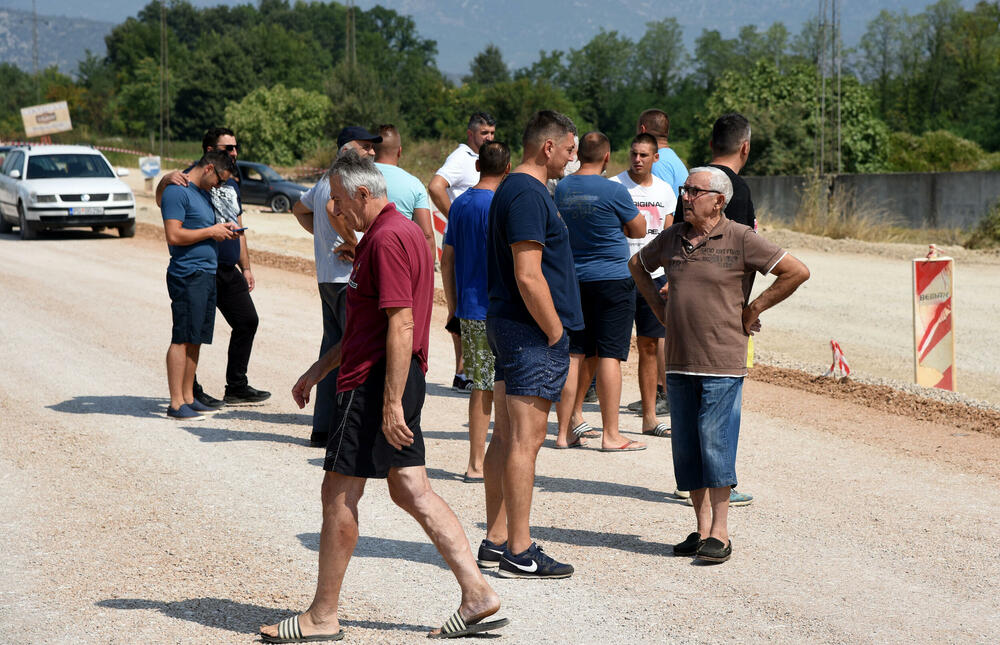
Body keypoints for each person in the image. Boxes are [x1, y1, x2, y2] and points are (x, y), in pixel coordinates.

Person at [260, 151, 508, 642]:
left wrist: (391, 401)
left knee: (338, 492)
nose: (334, 213)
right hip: (385, 376)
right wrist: (317, 370)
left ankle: (322, 616)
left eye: (338, 203)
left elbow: (402, 323)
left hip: (376, 383)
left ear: (363, 194)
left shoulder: (389, 238)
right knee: (410, 488)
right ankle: (478, 593)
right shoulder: (394, 234)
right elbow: (368, 322)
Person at [629, 166, 809, 563]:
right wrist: (659, 308)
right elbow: (637, 266)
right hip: (678, 360)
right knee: (688, 447)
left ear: (719, 200)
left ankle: (721, 534)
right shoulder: (672, 237)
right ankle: (701, 528)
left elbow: (796, 271)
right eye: (684, 189)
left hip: (721, 360)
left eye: (695, 191)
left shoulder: (742, 238)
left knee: (716, 443)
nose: (686, 196)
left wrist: (755, 307)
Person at [478, 110, 581, 579]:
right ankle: (520, 551)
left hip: (514, 327)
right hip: (530, 332)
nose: (571, 159)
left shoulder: (518, 189)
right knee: (525, 441)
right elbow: (527, 273)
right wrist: (556, 331)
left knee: (505, 437)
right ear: (548, 147)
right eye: (569, 150)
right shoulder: (525, 192)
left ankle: (496, 540)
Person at [675, 113, 758, 507]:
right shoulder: (734, 190)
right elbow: (742, 257)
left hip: (685, 315)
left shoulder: (693, 187)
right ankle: (722, 481)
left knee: (692, 410)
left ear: (711, 145)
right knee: (724, 409)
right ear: (745, 147)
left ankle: (695, 480)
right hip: (725, 319)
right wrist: (748, 308)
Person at [156, 127, 270, 407]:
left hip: (222, 267)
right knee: (186, 333)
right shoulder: (184, 181)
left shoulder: (226, 182)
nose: (233, 153)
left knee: (238, 323)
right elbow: (166, 207)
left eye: (235, 148)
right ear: (210, 154)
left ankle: (234, 387)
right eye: (227, 149)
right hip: (196, 268)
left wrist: (246, 265)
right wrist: (163, 180)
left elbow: (237, 223)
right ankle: (184, 395)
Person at [553, 131, 647, 451]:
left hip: (573, 281)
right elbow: (639, 229)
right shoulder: (614, 190)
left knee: (574, 355)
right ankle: (611, 434)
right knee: (609, 355)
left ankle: (564, 431)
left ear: (578, 154)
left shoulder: (562, 188)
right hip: (612, 279)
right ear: (607, 157)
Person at [290, 126, 379, 446]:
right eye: (366, 146)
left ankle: (324, 428)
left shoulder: (324, 180)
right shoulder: (341, 182)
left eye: (374, 147)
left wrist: (324, 236)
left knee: (332, 351)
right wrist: (352, 241)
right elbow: (329, 209)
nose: (372, 152)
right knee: (350, 351)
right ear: (345, 149)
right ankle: (345, 429)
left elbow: (300, 209)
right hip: (345, 279)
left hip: (329, 277)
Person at [441, 141, 510, 483]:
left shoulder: (460, 205)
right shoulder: (503, 205)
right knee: (505, 387)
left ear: (478, 166)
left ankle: (475, 463)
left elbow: (447, 259)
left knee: (480, 385)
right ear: (508, 170)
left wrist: (453, 307)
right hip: (501, 308)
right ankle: (503, 460)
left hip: (469, 308)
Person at [161, 151, 240, 419]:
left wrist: (222, 229)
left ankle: (188, 397)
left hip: (206, 273)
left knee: (196, 338)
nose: (219, 186)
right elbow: (173, 234)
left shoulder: (203, 193)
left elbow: (201, 228)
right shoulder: (178, 191)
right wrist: (210, 232)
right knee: (182, 337)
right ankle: (175, 403)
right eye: (219, 179)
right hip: (187, 274)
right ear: (208, 168)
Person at [609, 133, 676, 438]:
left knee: (650, 345)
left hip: (655, 276)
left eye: (644, 155)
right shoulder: (614, 185)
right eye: (634, 153)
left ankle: (650, 417)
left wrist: (672, 277)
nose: (637, 159)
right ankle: (576, 416)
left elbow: (669, 237)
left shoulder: (665, 191)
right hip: (619, 274)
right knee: (605, 349)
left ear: (655, 158)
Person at [429, 112, 497, 392]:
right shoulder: (462, 157)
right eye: (484, 133)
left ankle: (469, 369)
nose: (489, 138)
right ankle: (463, 371)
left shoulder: (484, 159)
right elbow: (436, 186)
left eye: (492, 133)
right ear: (471, 134)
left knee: (475, 300)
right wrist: (455, 217)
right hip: (464, 238)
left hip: (473, 236)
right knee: (463, 302)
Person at [373, 124, 435, 259]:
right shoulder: (415, 184)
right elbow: (427, 235)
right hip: (398, 260)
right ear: (399, 151)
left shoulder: (357, 176)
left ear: (373, 149)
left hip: (360, 261)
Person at [636, 108, 688, 198]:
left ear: (642, 130)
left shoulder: (657, 162)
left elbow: (658, 205)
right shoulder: (670, 157)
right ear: (666, 132)